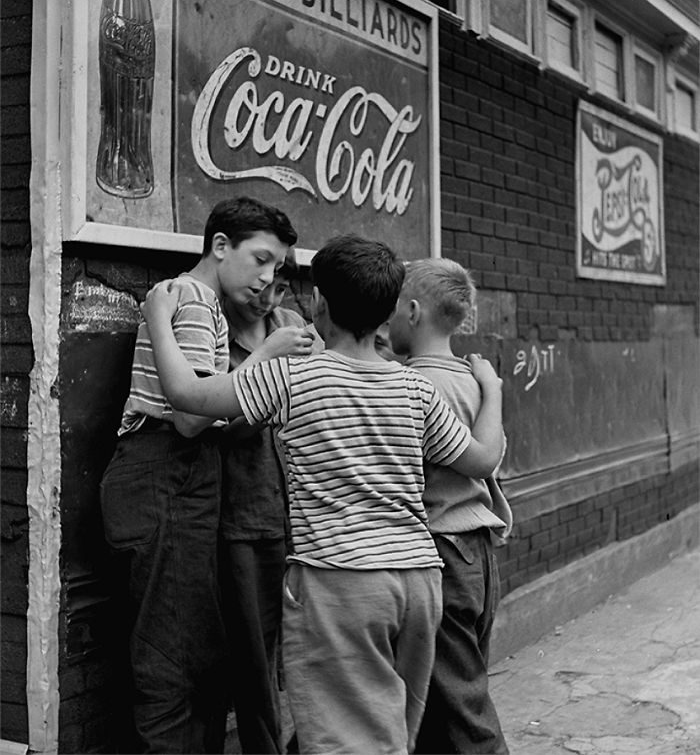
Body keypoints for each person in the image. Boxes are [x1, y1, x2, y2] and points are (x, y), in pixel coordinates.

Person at [140, 233, 504, 755]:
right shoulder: (414, 388)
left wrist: (157, 318)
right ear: (387, 314)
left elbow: (186, 397)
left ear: (319, 304)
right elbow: (483, 459)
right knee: (389, 736)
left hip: (341, 581)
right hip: (421, 585)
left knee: (344, 743)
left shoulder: (294, 376)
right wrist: (491, 392)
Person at [99, 197, 314, 754]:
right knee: (174, 661)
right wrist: (266, 354)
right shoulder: (194, 299)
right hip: (166, 469)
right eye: (260, 259)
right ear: (220, 246)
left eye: (277, 268)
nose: (268, 278)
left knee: (189, 651)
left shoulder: (198, 302)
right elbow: (194, 416)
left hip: (171, 476)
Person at [388, 257, 512, 755]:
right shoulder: (472, 380)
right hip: (478, 554)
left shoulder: (411, 387)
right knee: (446, 699)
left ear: (413, 311)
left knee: (462, 712)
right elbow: (494, 456)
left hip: (441, 556)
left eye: (393, 307)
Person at [219, 251, 322, 754]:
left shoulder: (293, 325)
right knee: (255, 659)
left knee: (311, 649)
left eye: (280, 288)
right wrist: (270, 392)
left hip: (307, 518)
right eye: (261, 288)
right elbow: (217, 428)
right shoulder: (219, 331)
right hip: (248, 515)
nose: (268, 299)